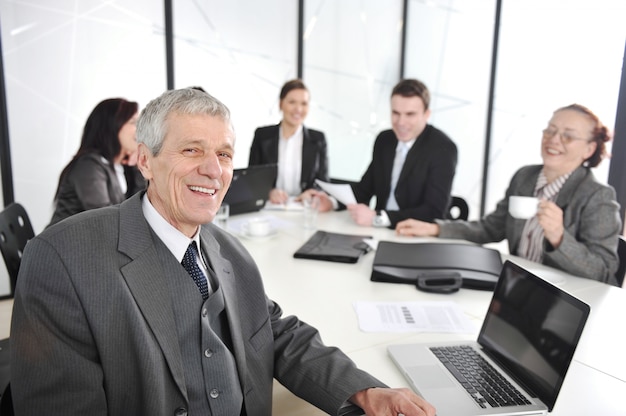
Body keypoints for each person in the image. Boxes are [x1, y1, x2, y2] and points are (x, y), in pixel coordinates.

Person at [11, 88, 436, 416]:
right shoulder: (63, 259)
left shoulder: (228, 250)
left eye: (224, 154)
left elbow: (274, 334)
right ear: (145, 160)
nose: (213, 170)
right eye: (192, 150)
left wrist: (366, 390)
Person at [396, 104, 622, 286]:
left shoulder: (598, 197)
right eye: (550, 130)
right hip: (516, 288)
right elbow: (490, 228)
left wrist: (559, 237)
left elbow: (602, 272)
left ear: (589, 149)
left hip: (564, 301)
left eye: (568, 136)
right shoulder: (525, 177)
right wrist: (436, 228)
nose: (554, 139)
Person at [307, 78, 457, 228]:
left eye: (410, 114)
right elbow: (364, 189)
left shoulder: (443, 148)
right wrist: (332, 202)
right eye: (395, 113)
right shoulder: (385, 140)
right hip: (381, 234)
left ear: (426, 114)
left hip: (420, 239)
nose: (401, 122)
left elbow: (434, 212)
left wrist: (378, 217)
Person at [48, 97, 143, 226]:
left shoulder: (117, 166)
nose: (140, 129)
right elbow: (106, 221)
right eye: (133, 122)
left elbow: (136, 206)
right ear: (112, 126)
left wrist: (137, 165)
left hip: (89, 241)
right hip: (66, 243)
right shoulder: (89, 166)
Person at [249, 79, 329, 204]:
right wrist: (269, 191)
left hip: (304, 208)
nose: (298, 109)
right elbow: (252, 177)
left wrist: (311, 192)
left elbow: (323, 182)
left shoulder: (318, 139)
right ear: (281, 104)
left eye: (304, 103)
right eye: (292, 102)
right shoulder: (262, 135)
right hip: (270, 207)